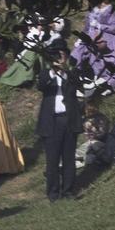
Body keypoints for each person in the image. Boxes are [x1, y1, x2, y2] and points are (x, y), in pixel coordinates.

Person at [37, 43, 82, 200]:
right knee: (52, 160)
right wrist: (53, 71)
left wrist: (64, 69)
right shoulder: (45, 74)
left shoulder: (71, 74)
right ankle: (53, 193)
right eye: (55, 56)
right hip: (52, 121)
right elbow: (42, 86)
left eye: (61, 55)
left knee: (69, 158)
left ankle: (68, 190)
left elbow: (78, 84)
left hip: (69, 119)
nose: (58, 58)